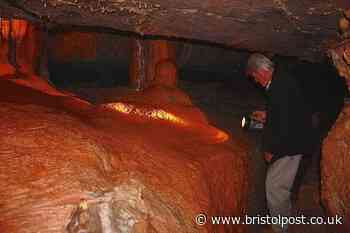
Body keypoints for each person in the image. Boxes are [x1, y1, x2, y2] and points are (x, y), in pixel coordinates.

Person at [245, 54, 316, 233]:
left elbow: (284, 122)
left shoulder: (279, 86)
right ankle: (283, 220)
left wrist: (270, 149)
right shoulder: (281, 81)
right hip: (294, 142)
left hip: (289, 145)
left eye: (255, 77)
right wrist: (268, 115)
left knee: (275, 187)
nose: (256, 81)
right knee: (279, 186)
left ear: (261, 71)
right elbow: (287, 112)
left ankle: (280, 228)